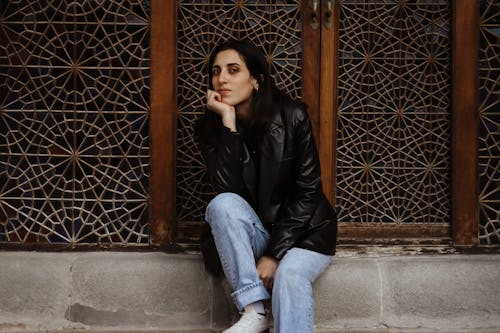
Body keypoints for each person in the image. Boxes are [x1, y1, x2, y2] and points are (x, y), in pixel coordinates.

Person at [196, 39, 337, 333]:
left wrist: (274, 254)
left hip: (305, 233)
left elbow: (308, 192)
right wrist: (228, 124)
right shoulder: (212, 128)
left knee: (289, 275)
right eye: (216, 71)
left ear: (256, 81)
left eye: (233, 70)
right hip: (256, 235)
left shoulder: (293, 117)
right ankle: (254, 311)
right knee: (220, 206)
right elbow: (227, 195)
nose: (221, 79)